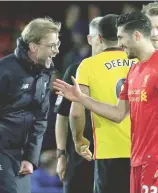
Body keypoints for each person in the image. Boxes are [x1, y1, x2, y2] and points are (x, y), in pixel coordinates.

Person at [53, 12, 158, 193]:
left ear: (137, 36)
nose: (119, 43)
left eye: (121, 37)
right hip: (136, 159)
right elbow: (117, 113)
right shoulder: (134, 69)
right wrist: (82, 99)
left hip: (157, 159)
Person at [0, 17, 61, 193]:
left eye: (57, 44)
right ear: (34, 47)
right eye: (51, 46)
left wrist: (30, 158)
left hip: (21, 154)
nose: (56, 51)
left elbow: (40, 119)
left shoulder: (45, 72)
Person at [71, 14, 137, 193]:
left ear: (99, 38)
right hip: (141, 151)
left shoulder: (88, 65)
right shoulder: (140, 60)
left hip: (108, 152)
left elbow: (77, 112)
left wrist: (78, 140)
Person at [54, 16, 102, 193]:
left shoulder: (125, 70)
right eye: (99, 37)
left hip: (113, 157)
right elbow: (63, 115)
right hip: (78, 159)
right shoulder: (74, 69)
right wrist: (60, 155)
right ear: (90, 39)